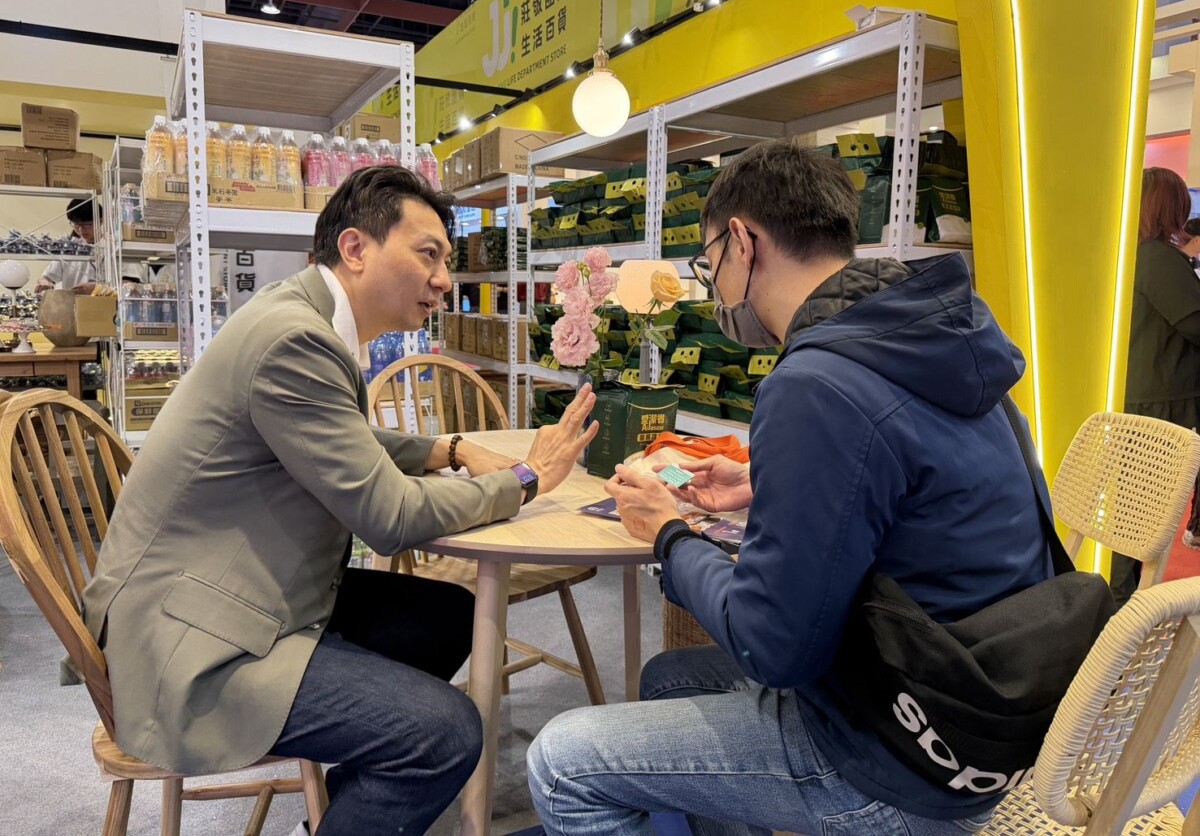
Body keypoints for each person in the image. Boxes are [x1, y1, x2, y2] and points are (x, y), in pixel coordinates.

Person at [526, 139, 1053, 835]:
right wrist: (764, 479)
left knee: (559, 763)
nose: (714, 287)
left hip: (899, 761)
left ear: (742, 242)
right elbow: (915, 481)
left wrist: (668, 535)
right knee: (669, 679)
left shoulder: (815, 382)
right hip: (984, 714)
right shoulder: (937, 340)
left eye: (709, 262)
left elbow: (772, 648)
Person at [80, 166, 599, 835]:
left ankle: (345, 811)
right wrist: (527, 479)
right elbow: (392, 518)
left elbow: (337, 437)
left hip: (226, 591)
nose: (445, 279)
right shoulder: (295, 339)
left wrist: (447, 450)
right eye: (429, 254)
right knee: (444, 733)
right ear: (355, 248)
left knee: (447, 616)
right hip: (188, 640)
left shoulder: (298, 316)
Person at [1113, 167, 1200, 595]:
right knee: (1143, 515)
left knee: (1133, 511)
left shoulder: (1134, 255)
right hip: (1161, 401)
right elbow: (1195, 322)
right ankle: (1120, 603)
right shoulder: (1158, 259)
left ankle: (1120, 599)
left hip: (1145, 394)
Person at [36, 199, 146, 294]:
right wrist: (44, 283)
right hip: (73, 307)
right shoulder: (69, 249)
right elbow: (47, 277)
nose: (80, 230)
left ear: (101, 221)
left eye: (86, 224)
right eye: (76, 225)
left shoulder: (116, 247)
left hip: (109, 307)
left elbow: (131, 284)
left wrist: (97, 289)